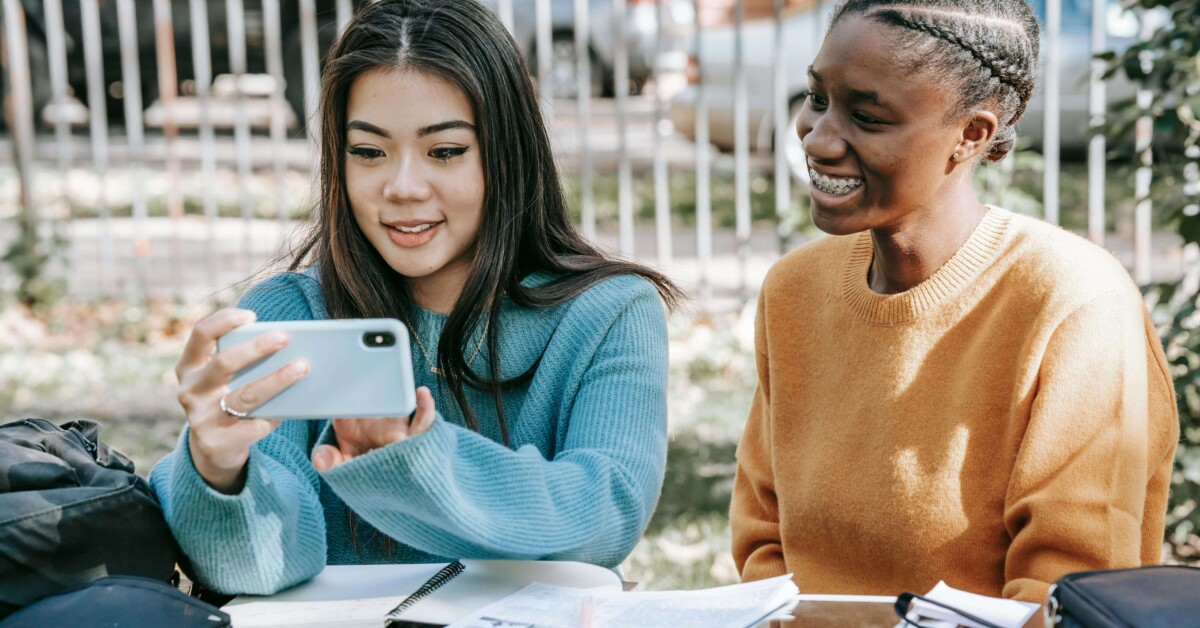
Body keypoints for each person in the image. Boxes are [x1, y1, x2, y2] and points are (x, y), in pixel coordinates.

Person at [149, 0, 682, 596]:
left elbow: (604, 515)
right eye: (369, 152)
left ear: (509, 154)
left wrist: (418, 460)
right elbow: (258, 567)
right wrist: (218, 471)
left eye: (445, 151)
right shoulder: (289, 314)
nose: (402, 188)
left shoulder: (610, 313)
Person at [730, 0, 1179, 604]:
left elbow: (1065, 592)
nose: (819, 135)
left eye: (866, 116)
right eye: (817, 98)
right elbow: (763, 540)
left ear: (971, 134)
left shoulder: (1074, 303)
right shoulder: (795, 290)